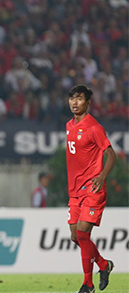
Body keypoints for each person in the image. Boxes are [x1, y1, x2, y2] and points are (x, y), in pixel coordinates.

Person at [65, 85, 117, 293]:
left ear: (88, 103)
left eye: (79, 99)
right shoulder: (69, 125)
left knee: (82, 232)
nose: (74, 102)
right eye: (72, 98)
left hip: (92, 188)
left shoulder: (94, 127)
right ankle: (104, 265)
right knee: (75, 236)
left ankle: (88, 284)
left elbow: (111, 154)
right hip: (74, 191)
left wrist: (102, 176)